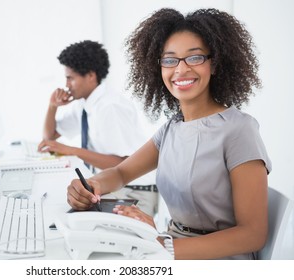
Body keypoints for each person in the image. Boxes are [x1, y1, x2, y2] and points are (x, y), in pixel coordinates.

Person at [66, 8, 272, 260]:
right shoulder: (172, 128)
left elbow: (253, 234)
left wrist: (163, 246)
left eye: (194, 58)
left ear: (215, 64)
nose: (180, 70)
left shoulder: (239, 130)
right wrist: (91, 186)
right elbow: (121, 172)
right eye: (170, 60)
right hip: (168, 247)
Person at [38, 40, 158, 216]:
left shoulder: (109, 107)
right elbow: (49, 137)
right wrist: (52, 106)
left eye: (70, 78)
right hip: (114, 186)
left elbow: (122, 164)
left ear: (91, 76)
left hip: (135, 190)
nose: (66, 84)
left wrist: (71, 150)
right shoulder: (85, 104)